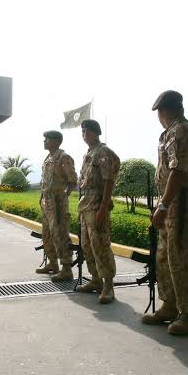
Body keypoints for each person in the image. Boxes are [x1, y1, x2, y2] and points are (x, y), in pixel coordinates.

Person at [142, 90, 188, 335]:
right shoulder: (171, 132)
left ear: (164, 111)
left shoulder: (180, 131)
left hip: (181, 204)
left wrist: (162, 205)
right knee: (165, 257)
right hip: (173, 203)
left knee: (181, 259)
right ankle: (170, 305)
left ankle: (187, 314)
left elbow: (178, 171)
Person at [75, 119, 120, 304]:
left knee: (100, 243)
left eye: (86, 131)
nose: (83, 134)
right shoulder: (89, 153)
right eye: (82, 131)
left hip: (96, 204)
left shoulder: (103, 152)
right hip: (85, 204)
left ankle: (108, 286)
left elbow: (108, 180)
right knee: (87, 244)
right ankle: (95, 280)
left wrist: (103, 207)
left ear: (95, 132)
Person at [36, 130, 77, 281]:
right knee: (47, 234)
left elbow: (72, 181)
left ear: (57, 141)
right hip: (47, 202)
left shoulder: (63, 157)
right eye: (45, 139)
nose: (44, 141)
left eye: (47, 139)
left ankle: (66, 268)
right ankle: (53, 263)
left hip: (58, 203)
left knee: (60, 234)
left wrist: (63, 196)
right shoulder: (48, 158)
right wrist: (42, 198)